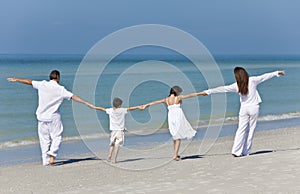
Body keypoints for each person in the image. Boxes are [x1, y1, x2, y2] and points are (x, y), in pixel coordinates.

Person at [7, 70, 93, 166]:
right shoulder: (60, 89)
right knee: (57, 136)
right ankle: (52, 155)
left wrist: (17, 79)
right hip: (53, 117)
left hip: (41, 118)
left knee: (44, 140)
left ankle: (45, 160)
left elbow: (29, 81)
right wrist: (86, 103)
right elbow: (73, 96)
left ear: (50, 77)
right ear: (58, 78)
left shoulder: (42, 84)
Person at [202, 67, 285, 157]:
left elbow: (223, 89)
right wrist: (276, 72)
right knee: (251, 130)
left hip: (244, 109)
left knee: (241, 130)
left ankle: (236, 151)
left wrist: (208, 91)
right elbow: (264, 76)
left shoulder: (236, 85)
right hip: (254, 108)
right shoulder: (252, 80)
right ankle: (246, 151)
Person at [141, 86, 206, 161]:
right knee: (178, 137)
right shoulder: (178, 98)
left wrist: (145, 105)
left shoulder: (166, 99)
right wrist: (201, 93)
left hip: (171, 118)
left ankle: (176, 154)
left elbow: (155, 102)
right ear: (177, 92)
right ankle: (175, 156)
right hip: (178, 117)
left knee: (175, 136)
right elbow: (191, 95)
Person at [89, 97, 141, 163]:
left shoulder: (110, 110)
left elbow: (102, 109)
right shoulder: (122, 110)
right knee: (117, 145)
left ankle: (109, 155)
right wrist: (138, 107)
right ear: (119, 105)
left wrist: (94, 107)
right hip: (120, 130)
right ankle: (114, 159)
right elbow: (130, 108)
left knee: (112, 143)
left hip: (113, 130)